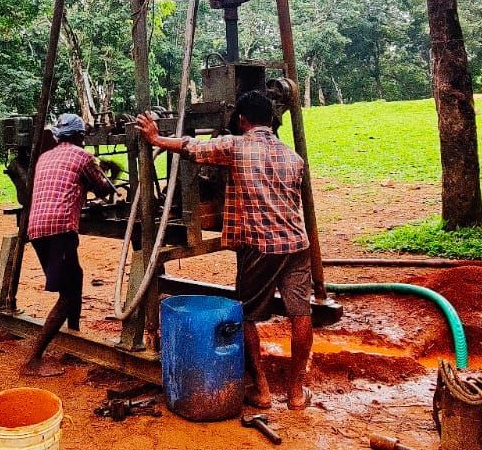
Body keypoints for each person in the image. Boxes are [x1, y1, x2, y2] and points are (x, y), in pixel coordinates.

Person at [135, 90, 314, 410]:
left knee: (244, 313)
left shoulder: (236, 146)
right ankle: (297, 392)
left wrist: (157, 140)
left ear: (242, 120)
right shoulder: (293, 157)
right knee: (301, 315)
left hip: (260, 247)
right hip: (298, 244)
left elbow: (193, 148)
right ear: (272, 120)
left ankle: (262, 389)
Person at [24, 112, 115, 373]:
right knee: (67, 295)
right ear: (78, 136)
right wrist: (109, 171)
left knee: (75, 277)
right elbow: (104, 190)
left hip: (37, 227)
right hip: (60, 228)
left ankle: (73, 336)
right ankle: (33, 359)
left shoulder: (45, 157)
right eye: (83, 136)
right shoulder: (83, 156)